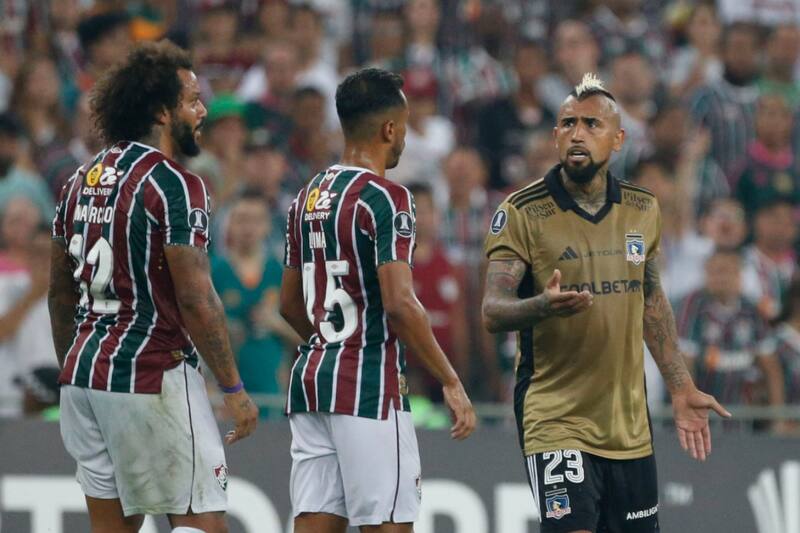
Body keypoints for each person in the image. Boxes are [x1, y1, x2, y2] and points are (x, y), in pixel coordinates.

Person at [481, 73, 730, 533]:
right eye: (568, 123)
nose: (577, 133)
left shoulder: (642, 208)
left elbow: (651, 300)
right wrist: (541, 305)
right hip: (554, 416)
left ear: (618, 139)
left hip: (628, 427)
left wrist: (680, 386)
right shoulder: (521, 211)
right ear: (555, 136)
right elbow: (493, 309)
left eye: (592, 124)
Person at [47, 41, 258, 533]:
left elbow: (60, 295)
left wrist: (79, 366)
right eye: (192, 100)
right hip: (149, 372)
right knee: (201, 523)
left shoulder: (77, 181)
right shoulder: (175, 184)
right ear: (163, 112)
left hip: (84, 377)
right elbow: (196, 297)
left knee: (113, 527)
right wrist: (234, 388)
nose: (202, 110)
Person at [279, 67, 476, 533]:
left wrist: (329, 344)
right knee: (388, 524)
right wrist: (449, 380)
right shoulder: (386, 198)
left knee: (314, 522)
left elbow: (290, 304)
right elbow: (400, 304)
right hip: (368, 385)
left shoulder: (304, 198)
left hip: (312, 381)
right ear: (390, 129)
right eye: (404, 127)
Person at [212, 190, 301, 418]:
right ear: (230, 224)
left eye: (256, 220)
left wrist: (276, 324)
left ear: (268, 226)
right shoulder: (214, 272)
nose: (248, 228)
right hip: (226, 393)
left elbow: (308, 337)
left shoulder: (281, 274)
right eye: (242, 219)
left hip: (272, 389)